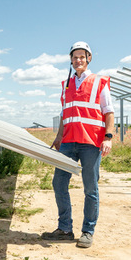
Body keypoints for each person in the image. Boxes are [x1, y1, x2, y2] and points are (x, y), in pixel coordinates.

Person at [42, 41, 114, 248]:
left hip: (91, 143)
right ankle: (65, 228)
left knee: (90, 188)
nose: (78, 60)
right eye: (75, 57)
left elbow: (109, 112)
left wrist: (107, 137)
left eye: (82, 56)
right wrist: (58, 137)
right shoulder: (66, 84)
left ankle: (87, 231)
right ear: (71, 60)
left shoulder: (99, 82)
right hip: (68, 142)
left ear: (89, 58)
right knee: (59, 183)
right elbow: (65, 114)